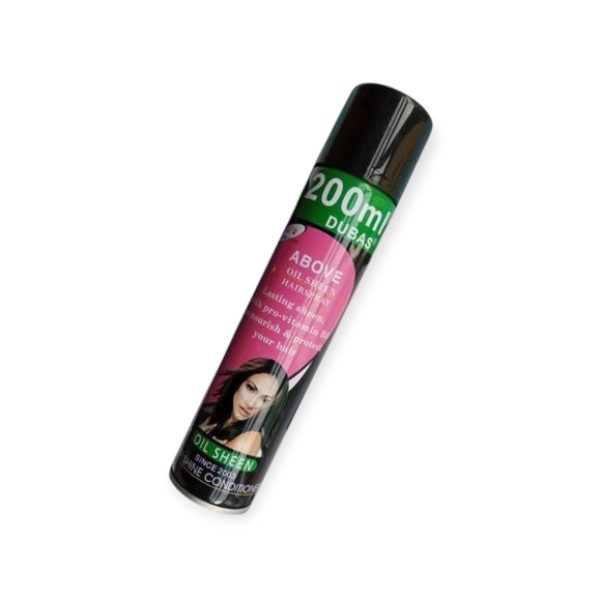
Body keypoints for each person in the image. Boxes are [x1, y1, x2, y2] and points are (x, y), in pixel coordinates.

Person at [198, 358, 289, 457]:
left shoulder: (251, 438)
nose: (251, 404)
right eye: (251, 389)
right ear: (239, 382)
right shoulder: (216, 416)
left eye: (264, 400)